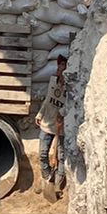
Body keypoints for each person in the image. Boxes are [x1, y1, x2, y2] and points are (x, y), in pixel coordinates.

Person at [36, 55, 67, 189]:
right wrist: (40, 113)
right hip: (48, 123)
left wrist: (62, 113)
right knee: (43, 154)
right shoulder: (53, 81)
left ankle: (58, 184)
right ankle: (47, 178)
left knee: (61, 156)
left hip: (62, 126)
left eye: (64, 66)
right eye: (60, 66)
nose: (61, 69)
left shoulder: (71, 86)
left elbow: (73, 104)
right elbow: (48, 99)